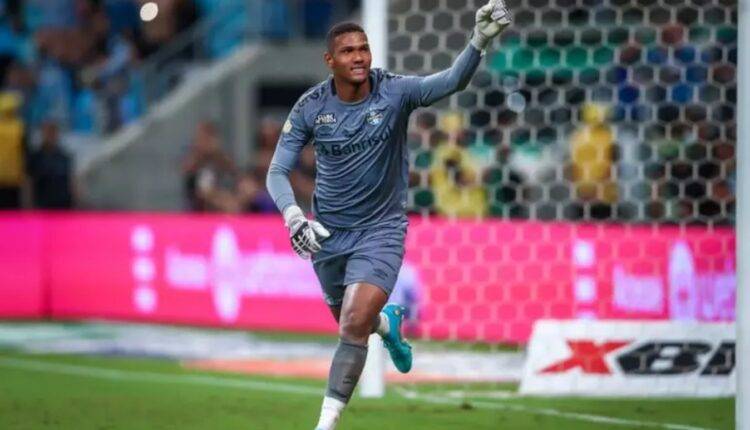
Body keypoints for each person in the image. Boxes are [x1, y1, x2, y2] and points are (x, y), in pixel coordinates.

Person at [265, 2, 512, 429]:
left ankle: (325, 424)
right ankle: (389, 325)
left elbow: (451, 81)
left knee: (351, 325)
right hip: (326, 234)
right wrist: (292, 217)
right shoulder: (310, 106)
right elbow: (277, 171)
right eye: (348, 51)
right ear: (330, 61)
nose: (359, 57)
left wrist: (479, 42)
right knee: (354, 320)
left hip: (380, 229)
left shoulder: (395, 91)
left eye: (363, 49)